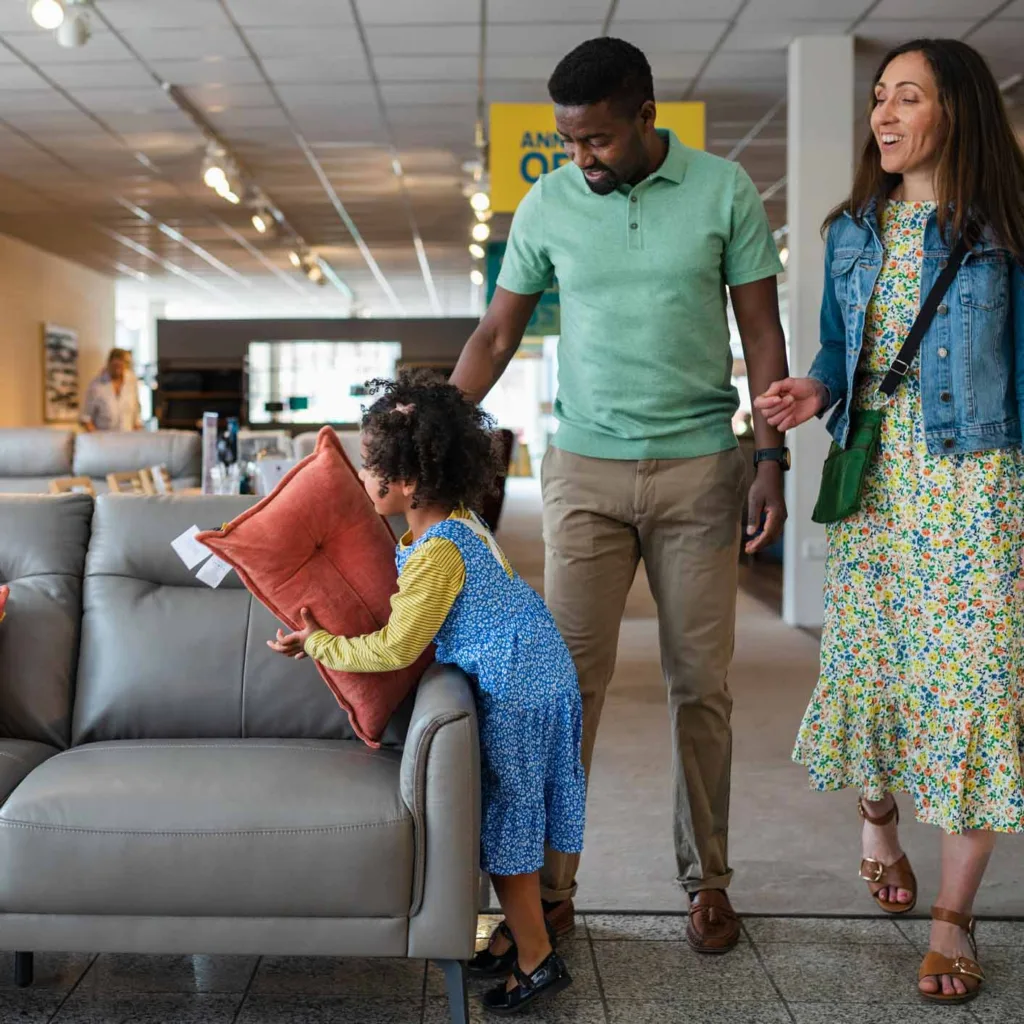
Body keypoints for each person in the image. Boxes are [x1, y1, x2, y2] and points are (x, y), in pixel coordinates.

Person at [450, 37, 789, 955]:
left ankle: (708, 879)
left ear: (647, 116)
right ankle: (551, 894)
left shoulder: (724, 191)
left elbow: (761, 332)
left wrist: (770, 459)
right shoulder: (550, 204)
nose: (580, 158)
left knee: (700, 687)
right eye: (568, 141)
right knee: (563, 688)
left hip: (698, 472)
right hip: (585, 473)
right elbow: (495, 333)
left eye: (596, 139)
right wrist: (430, 423)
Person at [756, 38, 1024, 1004]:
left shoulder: (1007, 231)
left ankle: (954, 919)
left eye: (906, 96)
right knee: (871, 665)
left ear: (957, 111)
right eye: (878, 97)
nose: (883, 113)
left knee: (976, 693)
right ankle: (878, 811)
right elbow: (841, 349)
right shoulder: (853, 231)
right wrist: (812, 387)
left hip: (980, 491)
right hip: (880, 490)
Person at [268, 371, 587, 1016]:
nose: (363, 482)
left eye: (370, 469)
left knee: (508, 833)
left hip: (520, 692)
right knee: (512, 824)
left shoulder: (440, 553)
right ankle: (513, 940)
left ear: (408, 483)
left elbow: (394, 648)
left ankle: (535, 959)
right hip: (540, 677)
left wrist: (319, 644)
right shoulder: (456, 523)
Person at [80, 348, 141, 432]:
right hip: (105, 439)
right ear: (109, 363)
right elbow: (86, 418)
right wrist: (96, 438)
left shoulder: (132, 381)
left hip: (127, 437)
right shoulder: (96, 385)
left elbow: (136, 412)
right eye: (115, 366)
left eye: (121, 365)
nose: (118, 369)